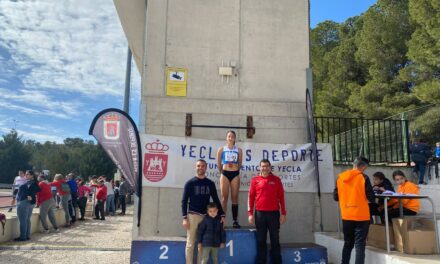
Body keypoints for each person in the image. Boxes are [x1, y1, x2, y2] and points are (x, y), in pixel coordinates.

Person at [181, 159, 225, 264]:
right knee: (190, 244)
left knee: (202, 244)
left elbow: (215, 199)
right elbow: (184, 201)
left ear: (206, 168)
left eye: (202, 166)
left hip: (206, 218)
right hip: (193, 216)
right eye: (198, 166)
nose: (200, 168)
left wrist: (222, 214)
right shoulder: (190, 183)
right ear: (196, 167)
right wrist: (184, 218)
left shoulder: (210, 183)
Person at [333, 157, 374, 264]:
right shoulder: (364, 178)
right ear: (363, 166)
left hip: (346, 215)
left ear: (354, 164)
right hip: (361, 216)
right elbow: (371, 198)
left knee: (348, 243)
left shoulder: (340, 178)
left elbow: (336, 197)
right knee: (360, 245)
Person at [248, 159, 286, 264]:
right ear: (260, 167)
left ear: (270, 167)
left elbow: (281, 197)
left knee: (275, 240)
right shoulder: (255, 180)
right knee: (261, 241)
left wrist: (283, 213)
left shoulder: (276, 180)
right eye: (263, 166)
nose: (264, 168)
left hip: (274, 214)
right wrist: (250, 214)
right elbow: (250, 198)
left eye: (266, 166)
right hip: (260, 214)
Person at [217, 131, 243, 228]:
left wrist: (235, 168)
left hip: (235, 174)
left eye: (232, 136)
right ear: (226, 138)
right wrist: (223, 171)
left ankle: (235, 221)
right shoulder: (221, 149)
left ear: (235, 138)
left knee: (235, 197)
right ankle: (222, 220)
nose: (230, 138)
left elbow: (240, 163)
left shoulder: (239, 150)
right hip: (225, 174)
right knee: (224, 198)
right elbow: (219, 163)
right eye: (229, 136)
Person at [14, 170, 40, 241]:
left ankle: (23, 236)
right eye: (26, 174)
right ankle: (27, 235)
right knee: (27, 219)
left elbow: (35, 190)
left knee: (23, 220)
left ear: (32, 176)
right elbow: (37, 190)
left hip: (24, 202)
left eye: (28, 174)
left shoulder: (31, 183)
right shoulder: (33, 182)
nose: (26, 175)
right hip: (29, 202)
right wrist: (31, 195)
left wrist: (30, 195)